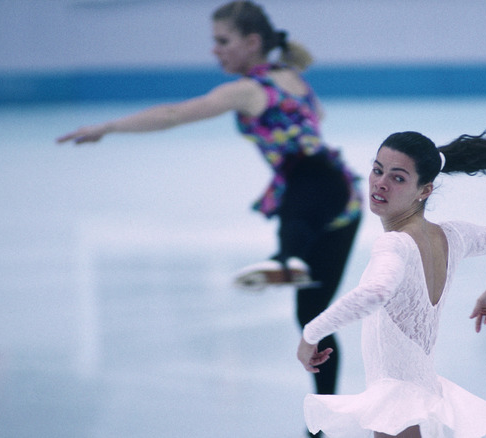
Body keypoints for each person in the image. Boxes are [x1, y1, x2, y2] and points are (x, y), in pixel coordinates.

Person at [56, 0, 362, 411]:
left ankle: (286, 258)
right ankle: (325, 413)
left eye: (222, 41)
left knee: (299, 201)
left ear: (251, 42)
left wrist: (108, 128)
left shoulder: (246, 90)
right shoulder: (290, 76)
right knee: (313, 319)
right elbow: (316, 116)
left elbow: (172, 115)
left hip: (316, 188)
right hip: (344, 200)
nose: (214, 50)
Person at [297, 129, 486, 438]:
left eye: (398, 178)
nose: (380, 182)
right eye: (377, 170)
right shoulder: (455, 237)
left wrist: (311, 334)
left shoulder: (396, 245)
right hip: (420, 400)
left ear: (424, 190)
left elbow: (374, 293)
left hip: (398, 404)